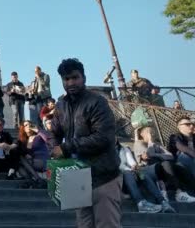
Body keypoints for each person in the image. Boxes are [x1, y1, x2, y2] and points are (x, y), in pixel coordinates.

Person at [50, 58, 121, 228]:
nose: (71, 82)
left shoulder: (97, 102)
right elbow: (54, 132)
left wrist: (66, 147)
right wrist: (54, 148)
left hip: (103, 174)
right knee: (83, 224)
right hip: (76, 175)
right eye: (66, 79)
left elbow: (103, 138)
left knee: (107, 224)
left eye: (75, 77)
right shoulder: (60, 105)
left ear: (84, 77)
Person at [134, 126, 192, 208]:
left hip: (160, 168)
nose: (152, 134)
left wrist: (157, 154)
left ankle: (187, 191)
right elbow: (147, 156)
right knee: (165, 163)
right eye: (148, 132)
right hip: (146, 170)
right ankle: (178, 192)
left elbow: (170, 156)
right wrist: (151, 142)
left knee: (179, 166)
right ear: (142, 134)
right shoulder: (139, 143)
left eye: (152, 132)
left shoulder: (157, 144)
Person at [117, 142, 162, 213]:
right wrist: (129, 170)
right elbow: (117, 166)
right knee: (127, 173)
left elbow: (131, 162)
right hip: (119, 180)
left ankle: (162, 200)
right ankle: (141, 203)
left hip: (130, 178)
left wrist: (135, 167)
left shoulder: (124, 149)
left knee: (141, 172)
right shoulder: (106, 151)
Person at [17, 120, 50, 188]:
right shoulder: (24, 140)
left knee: (21, 159)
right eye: (26, 125)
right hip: (32, 162)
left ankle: (35, 179)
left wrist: (37, 130)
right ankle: (32, 180)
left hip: (42, 161)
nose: (28, 126)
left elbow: (47, 139)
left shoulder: (39, 136)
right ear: (23, 129)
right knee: (19, 166)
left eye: (30, 124)